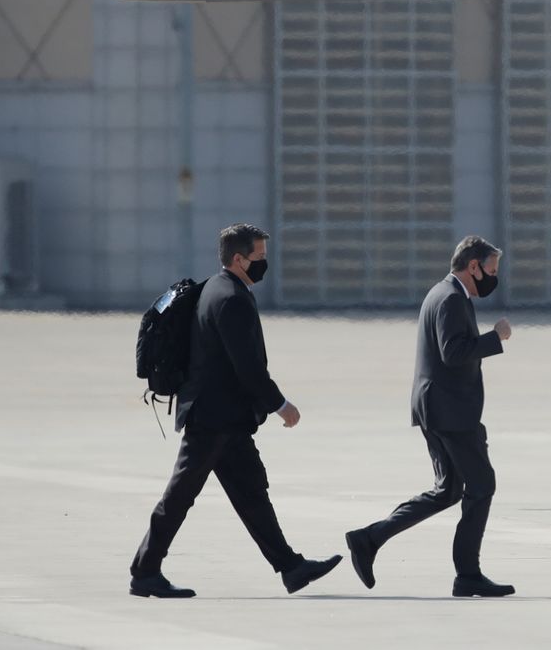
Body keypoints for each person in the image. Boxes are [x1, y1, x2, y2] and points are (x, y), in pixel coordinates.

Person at [129, 223, 342, 598]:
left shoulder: (216, 287)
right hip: (213, 419)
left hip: (224, 418)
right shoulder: (230, 299)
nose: (264, 264)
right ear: (239, 259)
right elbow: (248, 368)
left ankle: (290, 567)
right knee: (179, 496)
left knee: (251, 494)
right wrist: (280, 405)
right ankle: (145, 571)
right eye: (259, 257)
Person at [344, 236, 515, 598]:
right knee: (482, 485)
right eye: (491, 270)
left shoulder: (442, 293)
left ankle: (369, 538)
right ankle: (468, 573)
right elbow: (453, 352)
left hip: (437, 408)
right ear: (473, 266)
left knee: (448, 491)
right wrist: (494, 338)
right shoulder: (451, 298)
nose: (493, 277)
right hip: (450, 412)